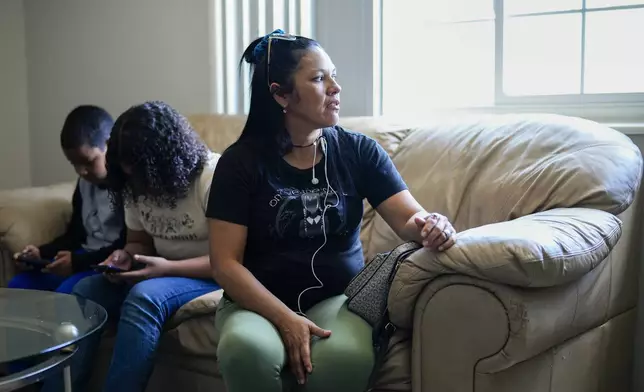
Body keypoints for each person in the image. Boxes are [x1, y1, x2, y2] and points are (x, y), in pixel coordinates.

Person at [206, 29, 457, 392]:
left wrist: (434, 224)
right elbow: (225, 264)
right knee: (245, 350)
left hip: (338, 300)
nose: (336, 87)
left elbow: (409, 219)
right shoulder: (240, 163)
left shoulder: (359, 152)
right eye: (319, 78)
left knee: (345, 358)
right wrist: (286, 319)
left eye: (333, 75)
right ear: (280, 94)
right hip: (256, 305)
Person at [41, 101, 221, 392]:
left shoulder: (213, 178)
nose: (140, 186)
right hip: (162, 269)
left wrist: (166, 269)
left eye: (144, 176)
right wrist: (125, 255)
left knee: (144, 296)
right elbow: (140, 241)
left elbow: (232, 259)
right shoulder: (132, 182)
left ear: (165, 161)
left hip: (212, 273)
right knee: (85, 291)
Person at [10, 105, 125, 294]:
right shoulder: (84, 184)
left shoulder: (128, 185)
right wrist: (42, 252)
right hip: (83, 256)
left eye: (88, 161)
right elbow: (76, 234)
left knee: (66, 294)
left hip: (109, 263)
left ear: (110, 146)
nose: (81, 171)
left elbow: (127, 245)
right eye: (74, 164)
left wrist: (77, 263)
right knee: (19, 286)